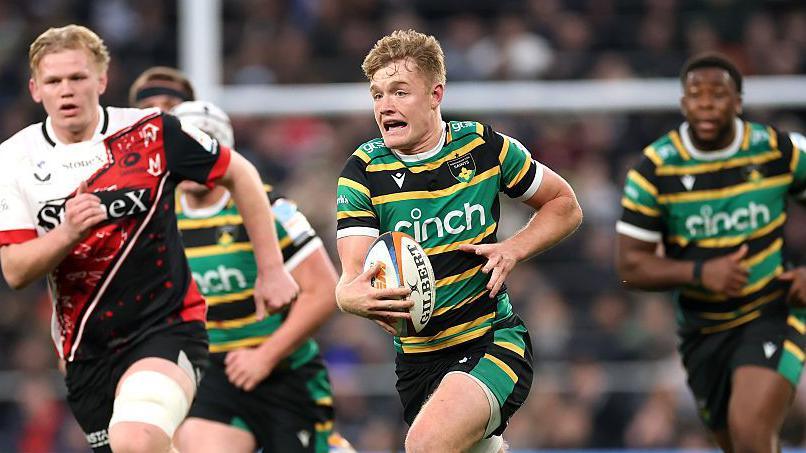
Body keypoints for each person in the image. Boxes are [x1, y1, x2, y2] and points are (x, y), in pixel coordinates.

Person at [0, 25, 299, 453]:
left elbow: (239, 172)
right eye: (54, 81)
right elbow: (14, 270)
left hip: (167, 325)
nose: (67, 90)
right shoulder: (12, 160)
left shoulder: (151, 132)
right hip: (86, 351)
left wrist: (271, 270)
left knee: (135, 438)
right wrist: (68, 233)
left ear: (102, 80)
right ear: (35, 89)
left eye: (78, 77)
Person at [335, 29, 583, 453]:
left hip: (491, 341)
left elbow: (565, 204)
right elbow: (354, 276)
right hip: (416, 362)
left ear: (435, 94)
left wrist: (514, 247)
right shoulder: (363, 171)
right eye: (377, 95)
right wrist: (348, 298)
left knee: (427, 445)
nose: (385, 106)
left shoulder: (482, 146)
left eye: (399, 92)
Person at [131, 70, 356, 453]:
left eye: (204, 147)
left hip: (284, 370)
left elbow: (322, 291)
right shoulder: (159, 220)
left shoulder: (270, 209)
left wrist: (265, 356)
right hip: (212, 372)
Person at [616, 53, 806, 453]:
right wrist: (701, 274)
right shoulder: (654, 169)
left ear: (738, 101)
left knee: (750, 433)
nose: (705, 103)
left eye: (717, 94)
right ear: (683, 103)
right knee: (733, 443)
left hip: (772, 310)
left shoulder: (778, 150)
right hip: (702, 330)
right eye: (695, 94)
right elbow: (631, 265)